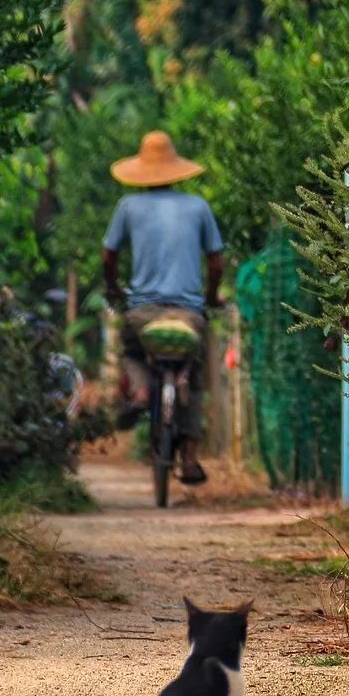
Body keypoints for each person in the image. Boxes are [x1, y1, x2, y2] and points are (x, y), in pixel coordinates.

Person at [102, 131, 224, 486]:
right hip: (188, 315)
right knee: (195, 371)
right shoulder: (198, 207)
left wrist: (112, 287)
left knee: (132, 349)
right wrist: (210, 298)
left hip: (143, 312)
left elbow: (109, 254)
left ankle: (140, 392)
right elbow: (216, 262)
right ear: (175, 168)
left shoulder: (128, 206)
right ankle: (188, 456)